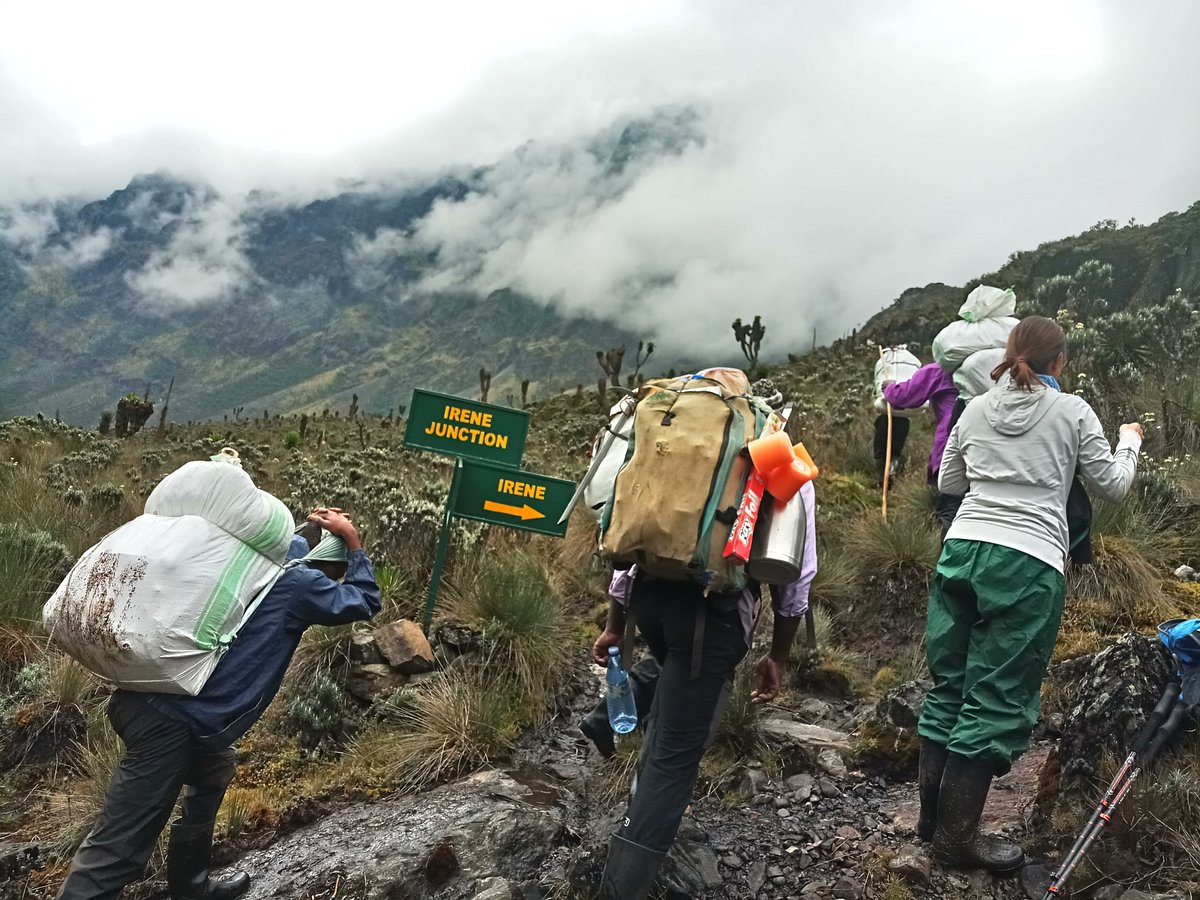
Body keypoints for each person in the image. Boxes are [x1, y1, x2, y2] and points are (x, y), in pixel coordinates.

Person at [57, 508, 381, 900]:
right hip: (169, 721)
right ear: (326, 560)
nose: (332, 581)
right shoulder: (299, 582)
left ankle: (192, 887)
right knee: (119, 848)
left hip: (161, 705)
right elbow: (365, 600)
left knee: (215, 768)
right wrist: (354, 542)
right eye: (335, 572)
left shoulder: (261, 564)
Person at [916, 317, 1142, 872]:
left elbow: (949, 483)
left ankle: (930, 822)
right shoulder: (1073, 411)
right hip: (1027, 561)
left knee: (950, 685)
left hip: (961, 550)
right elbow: (1113, 485)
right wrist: (1130, 442)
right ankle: (956, 840)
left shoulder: (974, 409)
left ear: (1008, 353)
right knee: (996, 693)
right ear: (1059, 362)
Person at [595, 381, 818, 900]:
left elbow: (630, 545)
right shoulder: (775, 455)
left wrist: (615, 624)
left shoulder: (668, 440)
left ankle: (621, 764)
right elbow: (795, 578)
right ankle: (621, 887)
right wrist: (778, 656)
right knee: (675, 759)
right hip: (710, 621)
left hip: (650, 602)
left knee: (670, 706)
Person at [881, 361, 958, 533]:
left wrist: (889, 388)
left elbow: (905, 396)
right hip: (988, 449)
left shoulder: (940, 370)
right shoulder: (992, 370)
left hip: (951, 444)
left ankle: (947, 546)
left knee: (949, 509)